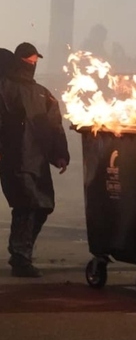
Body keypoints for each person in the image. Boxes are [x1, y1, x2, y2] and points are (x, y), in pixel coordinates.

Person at [0, 43, 70, 277]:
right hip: (15, 159)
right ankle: (20, 258)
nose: (32, 64)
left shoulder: (42, 93)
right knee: (26, 205)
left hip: (37, 162)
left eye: (35, 61)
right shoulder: (5, 88)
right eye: (28, 60)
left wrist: (60, 154)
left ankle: (21, 251)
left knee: (43, 206)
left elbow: (54, 126)